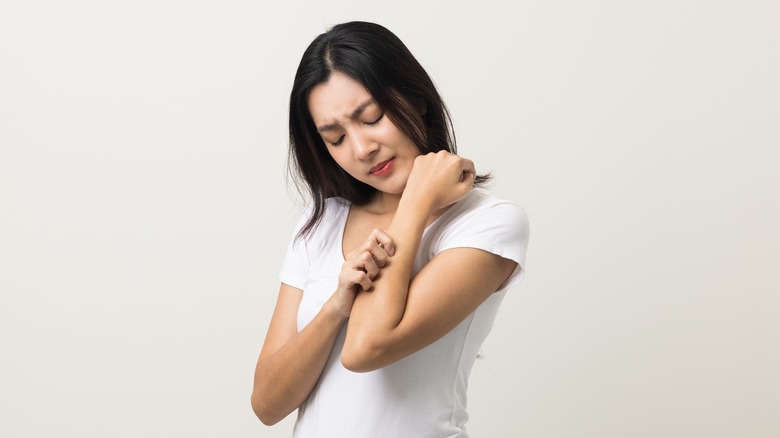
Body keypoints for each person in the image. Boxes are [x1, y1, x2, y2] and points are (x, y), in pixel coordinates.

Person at [251, 21, 529, 437]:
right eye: (335, 137)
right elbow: (268, 404)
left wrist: (415, 202)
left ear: (415, 99)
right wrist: (334, 307)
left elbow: (366, 348)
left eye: (372, 117)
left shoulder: (487, 224)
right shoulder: (321, 223)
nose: (362, 149)